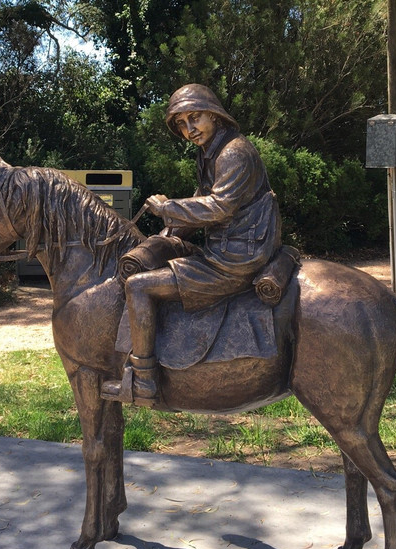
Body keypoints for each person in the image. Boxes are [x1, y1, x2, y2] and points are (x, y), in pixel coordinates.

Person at [101, 84, 281, 405]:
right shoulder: (210, 152)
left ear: (215, 115)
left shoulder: (234, 152)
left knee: (138, 286)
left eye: (195, 118)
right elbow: (202, 199)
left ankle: (144, 381)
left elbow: (219, 207)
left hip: (235, 257)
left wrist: (167, 207)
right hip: (228, 248)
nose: (189, 129)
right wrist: (167, 234)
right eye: (182, 124)